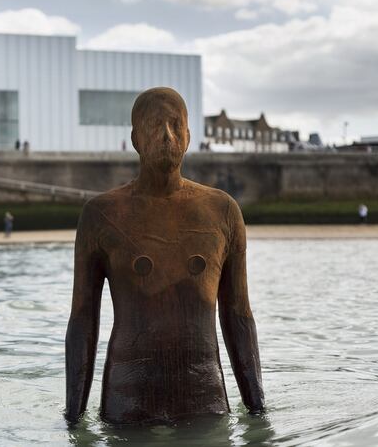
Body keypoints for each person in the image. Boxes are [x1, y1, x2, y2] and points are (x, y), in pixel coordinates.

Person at [65, 87, 265, 426]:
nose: (167, 136)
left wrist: (258, 410)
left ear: (188, 136)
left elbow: (239, 316)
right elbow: (83, 320)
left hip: (205, 401)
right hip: (127, 404)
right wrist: (73, 417)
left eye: (175, 125)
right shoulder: (101, 214)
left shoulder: (222, 211)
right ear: (136, 138)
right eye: (155, 125)